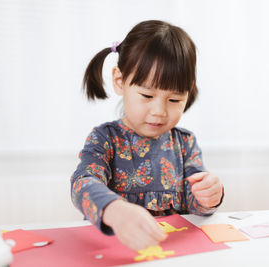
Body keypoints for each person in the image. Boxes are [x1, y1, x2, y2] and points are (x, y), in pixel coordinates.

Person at [70, 20, 224, 251]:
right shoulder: (104, 138)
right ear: (120, 81)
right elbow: (82, 183)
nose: (159, 111)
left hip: (173, 251)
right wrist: (114, 209)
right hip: (116, 250)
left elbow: (196, 204)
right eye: (146, 95)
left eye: (174, 100)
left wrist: (209, 195)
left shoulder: (185, 142)